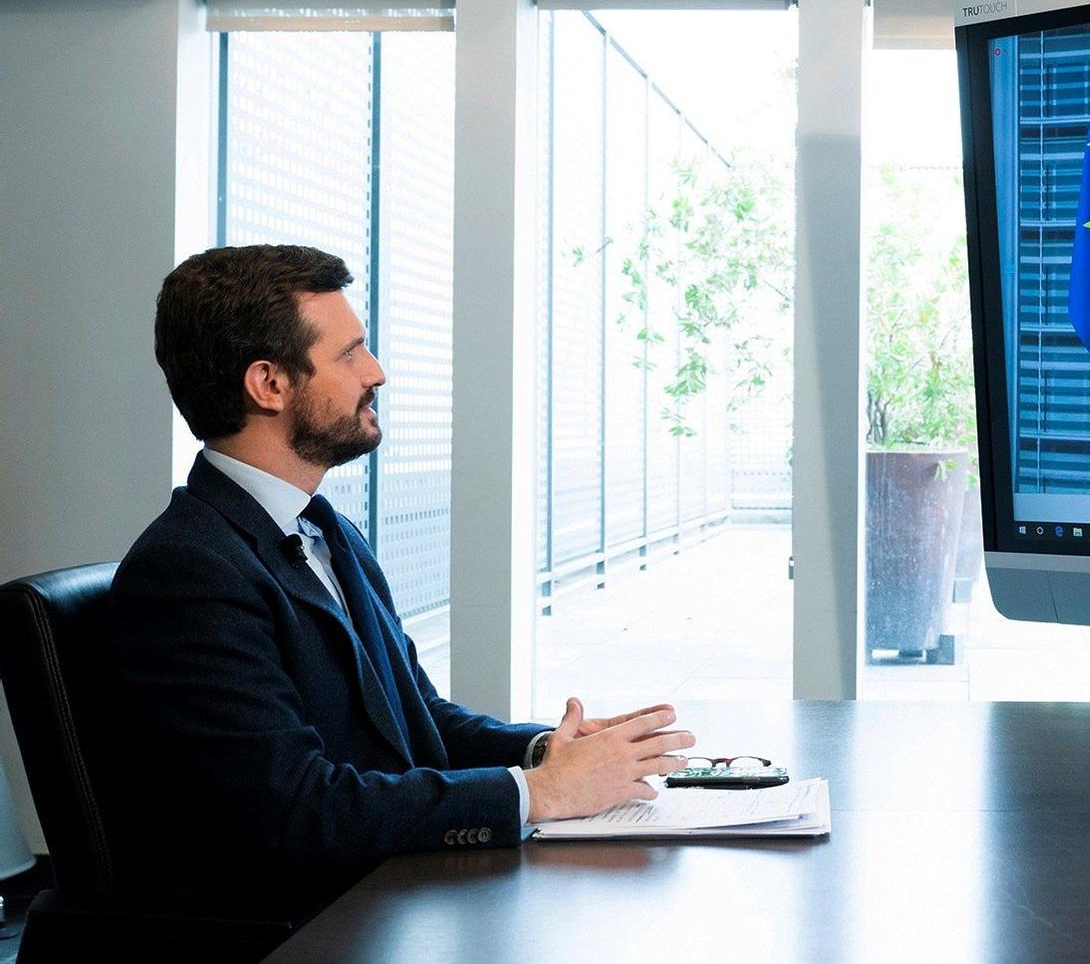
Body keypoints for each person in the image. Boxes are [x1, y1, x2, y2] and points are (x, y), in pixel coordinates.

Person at [114, 245, 697, 917]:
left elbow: (416, 721)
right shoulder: (190, 570)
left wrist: (550, 753)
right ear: (269, 384)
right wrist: (541, 794)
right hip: (306, 928)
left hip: (386, 896)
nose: (377, 372)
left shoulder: (325, 530)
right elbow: (298, 811)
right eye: (350, 353)